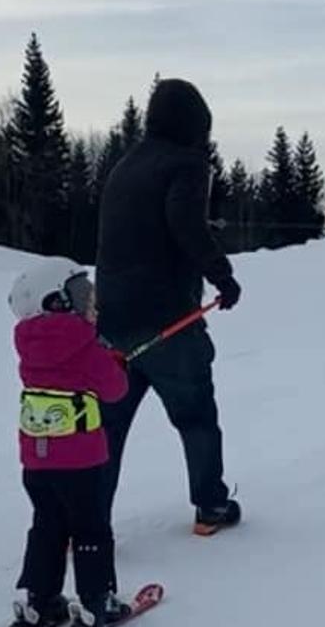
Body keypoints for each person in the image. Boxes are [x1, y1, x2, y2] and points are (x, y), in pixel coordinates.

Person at [95, 78, 242, 534]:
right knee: (196, 415)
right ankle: (210, 506)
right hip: (168, 324)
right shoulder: (188, 164)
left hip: (113, 321)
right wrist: (222, 275)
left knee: (106, 431)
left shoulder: (126, 164)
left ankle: (86, 520)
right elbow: (186, 225)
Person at [5, 258, 130, 627]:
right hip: (81, 461)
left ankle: (40, 600)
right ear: (58, 301)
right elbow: (115, 390)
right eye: (80, 294)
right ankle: (96, 600)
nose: (89, 301)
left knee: (47, 523)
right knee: (90, 526)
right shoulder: (83, 344)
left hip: (36, 461)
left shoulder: (29, 342)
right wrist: (111, 360)